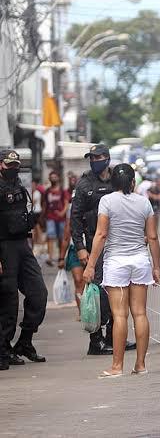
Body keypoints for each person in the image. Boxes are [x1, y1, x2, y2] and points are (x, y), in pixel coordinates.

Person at [83, 163, 160, 378]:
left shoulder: (106, 201)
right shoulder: (144, 203)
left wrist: (90, 265)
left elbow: (101, 235)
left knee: (119, 316)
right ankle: (141, 365)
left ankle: (117, 366)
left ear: (113, 183)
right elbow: (152, 237)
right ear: (133, 182)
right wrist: (156, 267)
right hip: (140, 261)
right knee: (140, 313)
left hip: (116, 263)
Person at [71, 144, 135, 356]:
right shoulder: (84, 184)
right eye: (92, 157)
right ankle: (95, 341)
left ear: (107, 158)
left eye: (98, 157)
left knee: (119, 291)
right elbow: (75, 219)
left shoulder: (118, 179)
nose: (94, 160)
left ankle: (114, 337)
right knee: (99, 294)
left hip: (118, 245)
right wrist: (80, 248)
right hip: (95, 247)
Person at [0, 149, 48, 369]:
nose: (13, 169)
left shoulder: (19, 185)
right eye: (9, 165)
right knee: (9, 301)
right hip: (3, 247)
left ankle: (25, 342)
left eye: (16, 165)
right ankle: (3, 349)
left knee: (39, 293)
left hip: (22, 245)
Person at [58, 208, 85, 319]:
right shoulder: (72, 208)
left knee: (91, 282)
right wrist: (61, 257)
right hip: (75, 249)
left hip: (93, 247)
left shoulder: (98, 201)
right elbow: (66, 234)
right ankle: (82, 313)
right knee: (78, 281)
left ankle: (93, 310)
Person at [44, 171, 70, 266]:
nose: (53, 178)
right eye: (52, 177)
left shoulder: (63, 191)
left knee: (61, 237)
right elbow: (45, 204)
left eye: (55, 176)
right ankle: (50, 257)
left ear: (58, 178)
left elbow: (66, 203)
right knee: (50, 236)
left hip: (61, 218)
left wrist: (62, 213)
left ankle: (61, 256)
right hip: (50, 217)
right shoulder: (47, 191)